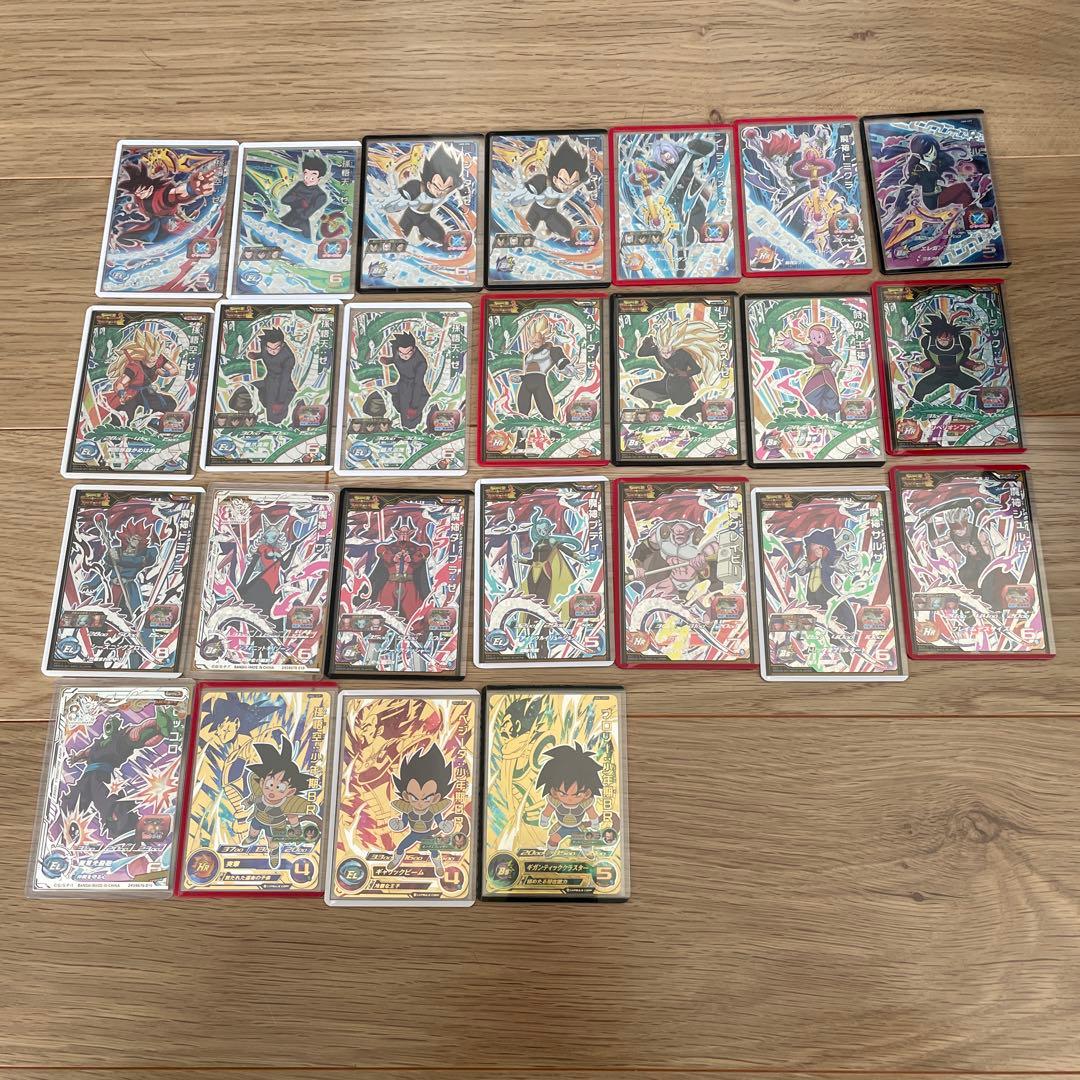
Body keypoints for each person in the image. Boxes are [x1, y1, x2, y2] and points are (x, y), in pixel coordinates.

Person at [386, 744, 455, 877]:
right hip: (413, 834)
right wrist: (397, 824)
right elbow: (403, 822)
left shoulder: (434, 810)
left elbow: (440, 821)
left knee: (434, 851)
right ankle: (395, 860)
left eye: (427, 798)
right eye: (414, 797)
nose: (420, 803)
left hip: (427, 835)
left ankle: (438, 865)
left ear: (436, 798)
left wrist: (445, 825)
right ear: (406, 796)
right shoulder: (407, 809)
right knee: (401, 847)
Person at [536, 742, 603, 850]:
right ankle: (551, 851)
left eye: (577, 794)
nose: (570, 798)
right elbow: (548, 811)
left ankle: (587, 852)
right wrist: (545, 819)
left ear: (587, 793)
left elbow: (592, 813)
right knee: (554, 839)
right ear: (554, 791)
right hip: (561, 827)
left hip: (578, 827)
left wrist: (594, 823)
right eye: (563, 794)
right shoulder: (555, 802)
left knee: (585, 841)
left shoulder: (585, 804)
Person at [248, 327, 296, 424]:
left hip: (283, 386)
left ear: (282, 345)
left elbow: (285, 379)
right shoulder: (265, 346)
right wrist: (256, 356)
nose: (273, 351)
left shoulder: (288, 357)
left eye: (276, 348)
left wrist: (280, 401)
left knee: (274, 414)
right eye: (270, 348)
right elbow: (264, 353)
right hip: (269, 380)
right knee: (248, 389)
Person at [279, 154, 329, 240]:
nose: (308, 178)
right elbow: (284, 200)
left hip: (301, 226)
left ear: (319, 178)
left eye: (313, 176)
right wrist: (300, 199)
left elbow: (305, 215)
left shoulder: (321, 196)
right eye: (306, 174)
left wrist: (295, 198)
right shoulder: (300, 185)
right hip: (287, 218)